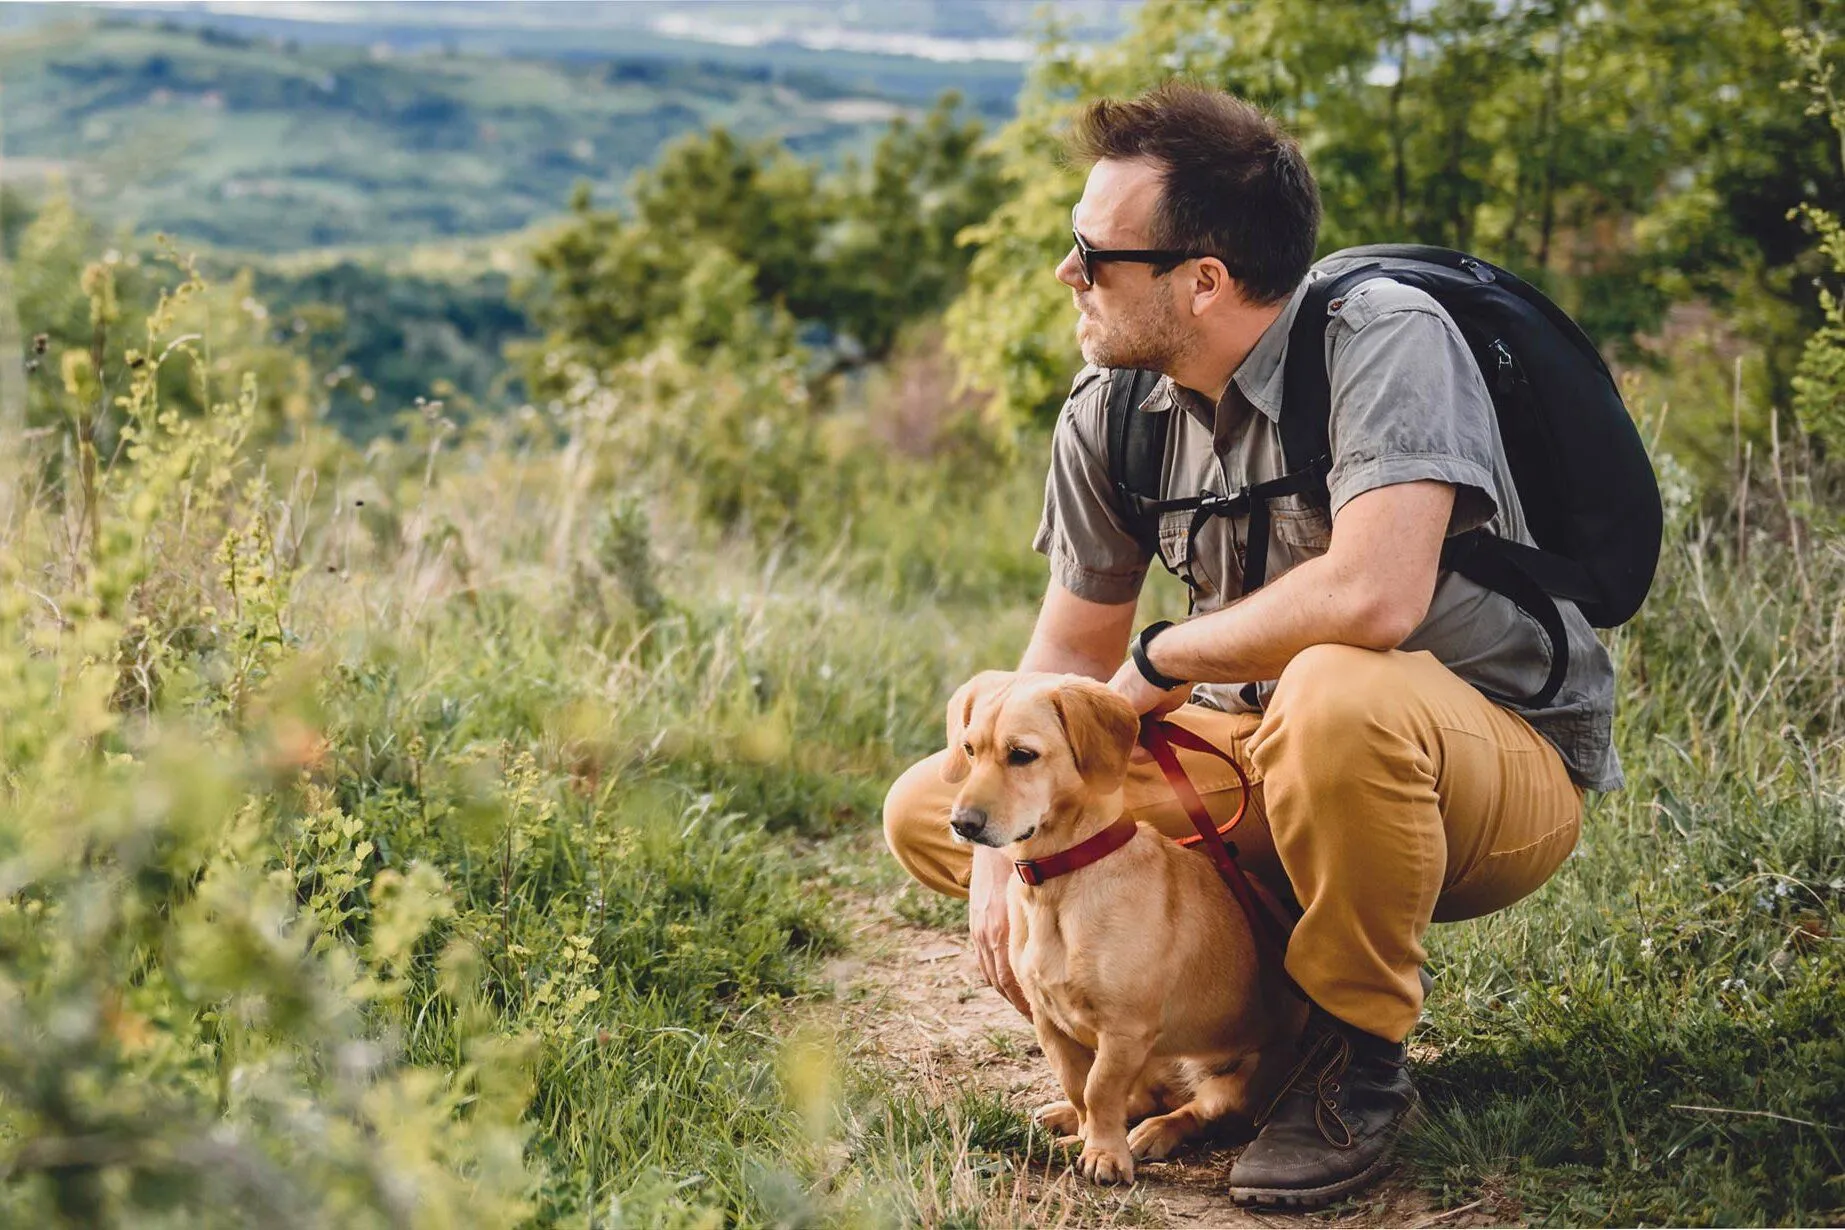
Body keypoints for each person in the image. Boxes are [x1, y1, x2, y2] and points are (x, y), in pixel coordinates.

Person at [880, 81, 1623, 1209]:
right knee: (930, 808)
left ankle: (1351, 1063)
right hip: (1264, 758)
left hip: (1478, 772)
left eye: (1093, 253)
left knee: (1334, 692)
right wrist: (995, 850)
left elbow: (1375, 596)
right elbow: (1067, 664)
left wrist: (1169, 658)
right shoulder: (1113, 410)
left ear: (1204, 281)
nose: (1065, 273)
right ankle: (1222, 1029)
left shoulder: (1385, 342)